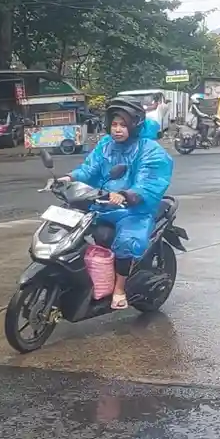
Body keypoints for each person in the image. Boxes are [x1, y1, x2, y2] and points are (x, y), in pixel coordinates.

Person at [58, 98, 173, 310]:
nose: (117, 130)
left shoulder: (149, 150)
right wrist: (69, 178)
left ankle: (119, 290)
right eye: (114, 124)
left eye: (123, 125)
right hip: (103, 203)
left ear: (135, 125)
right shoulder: (105, 145)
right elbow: (89, 169)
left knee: (127, 241)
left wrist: (128, 194)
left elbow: (150, 181)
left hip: (134, 209)